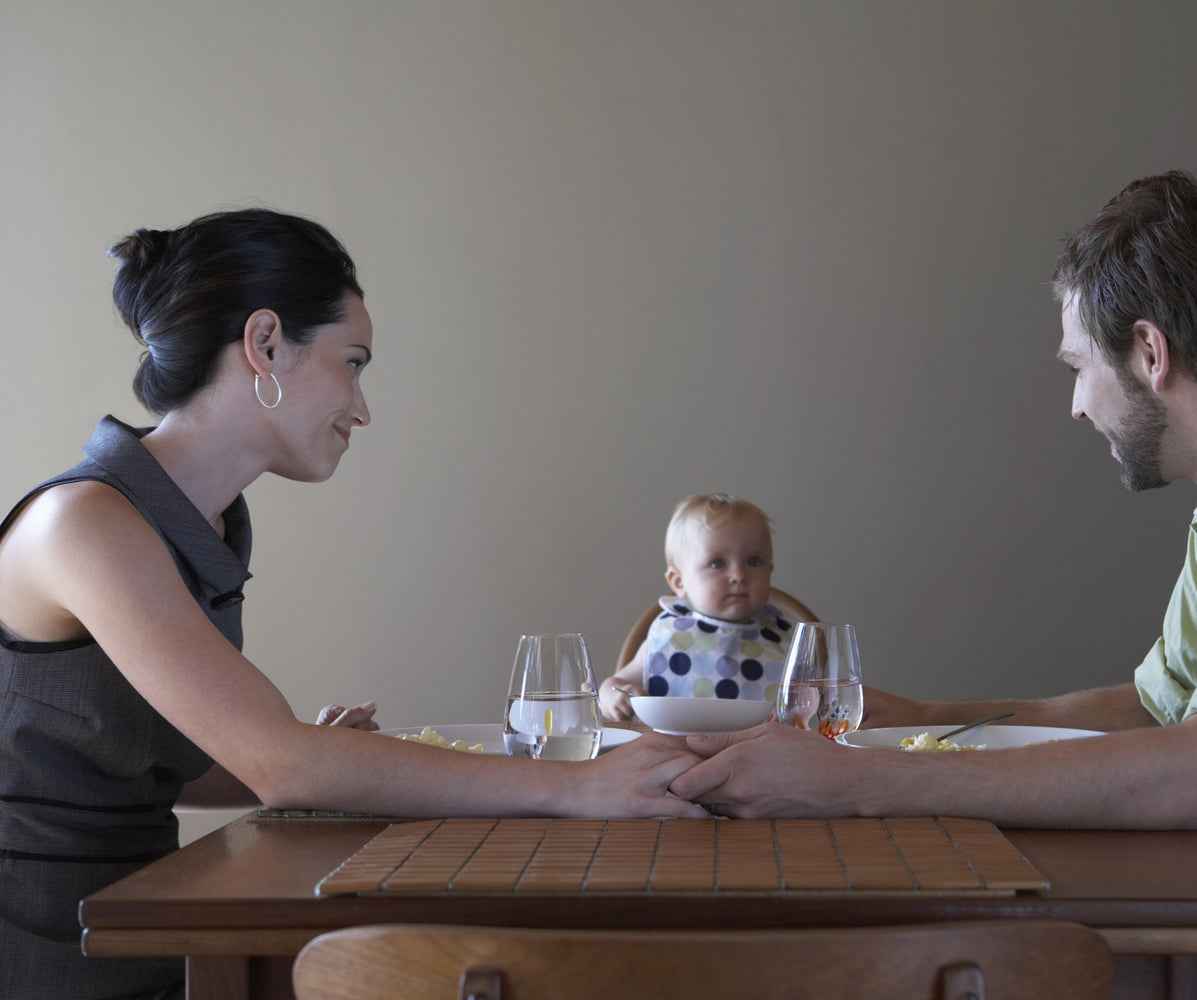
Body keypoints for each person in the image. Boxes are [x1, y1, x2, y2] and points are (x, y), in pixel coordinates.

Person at [669, 172, 1197, 997]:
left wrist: (855, 785)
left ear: (1150, 352)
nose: (1075, 405)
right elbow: (1155, 709)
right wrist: (926, 720)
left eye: (1078, 366)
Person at [0, 209, 705, 1000]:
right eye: (354, 362)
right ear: (265, 344)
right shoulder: (86, 524)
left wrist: (334, 763)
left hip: (150, 917)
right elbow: (284, 767)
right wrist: (572, 790)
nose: (361, 408)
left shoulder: (201, 523)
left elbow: (165, 765)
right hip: (51, 952)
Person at [600, 493, 803, 722]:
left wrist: (792, 713)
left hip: (761, 755)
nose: (738, 575)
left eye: (753, 562)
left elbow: (812, 702)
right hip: (677, 752)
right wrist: (612, 698)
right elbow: (615, 684)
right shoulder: (668, 636)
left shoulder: (783, 640)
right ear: (679, 582)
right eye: (717, 564)